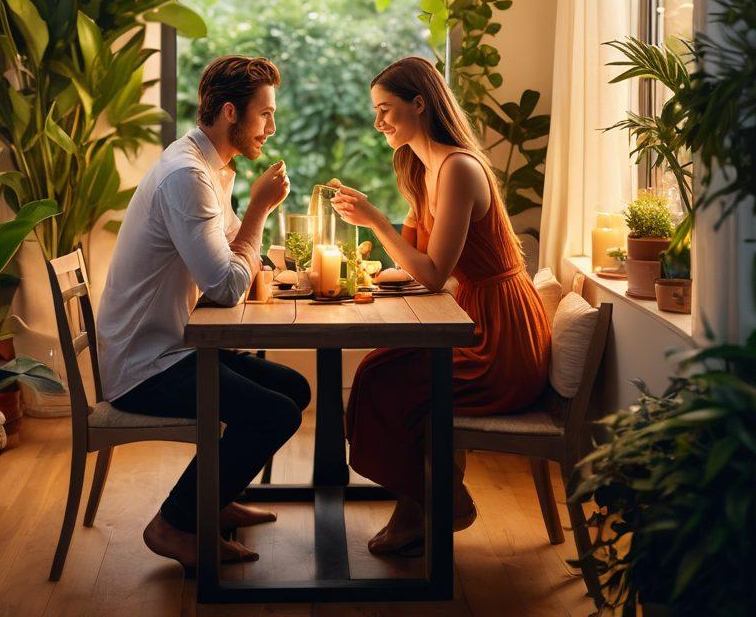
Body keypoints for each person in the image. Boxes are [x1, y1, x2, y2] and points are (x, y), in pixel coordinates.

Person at [97, 55, 311, 569]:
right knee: (276, 413)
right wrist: (260, 209)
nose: (273, 128)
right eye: (266, 115)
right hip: (145, 365)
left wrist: (258, 229)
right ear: (231, 113)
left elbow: (232, 255)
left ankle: (210, 498)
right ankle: (174, 523)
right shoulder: (186, 176)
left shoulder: (212, 166)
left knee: (294, 389)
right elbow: (227, 284)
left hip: (173, 345)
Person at [331, 56, 550, 557]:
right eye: (375, 111)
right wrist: (352, 271)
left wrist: (375, 221)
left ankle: (434, 502)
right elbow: (414, 266)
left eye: (386, 109)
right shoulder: (420, 166)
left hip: (500, 334)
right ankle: (421, 504)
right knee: (377, 370)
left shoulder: (458, 169)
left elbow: (431, 273)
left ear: (420, 103)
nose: (378, 121)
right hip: (469, 318)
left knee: (384, 377)